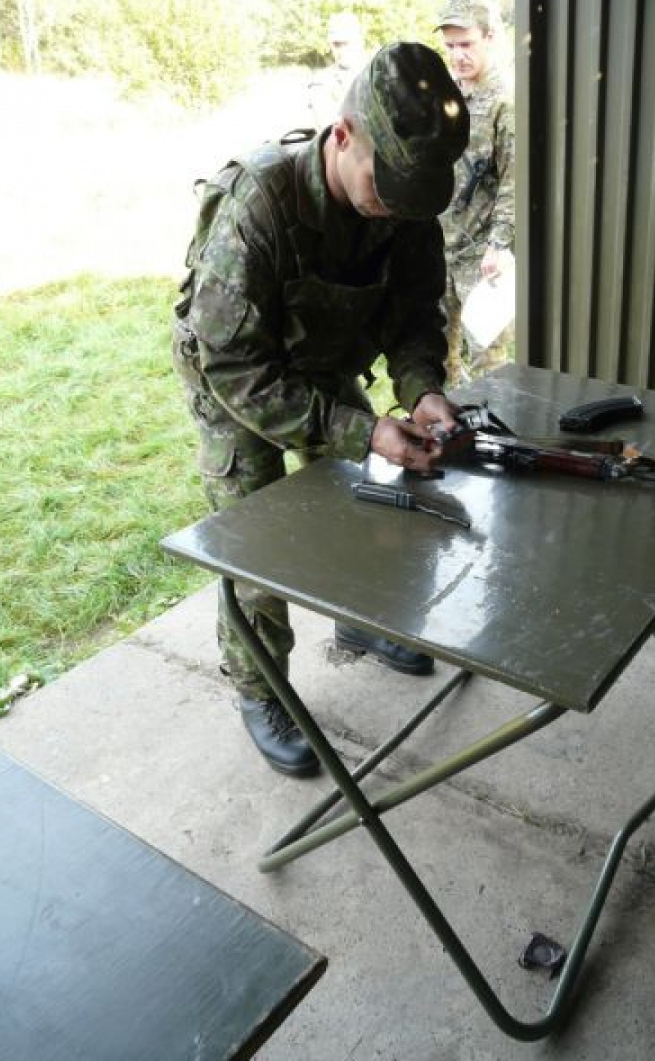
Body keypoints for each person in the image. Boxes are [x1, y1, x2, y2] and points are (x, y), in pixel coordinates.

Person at [173, 42, 468, 779]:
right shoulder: (261, 203)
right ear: (342, 136)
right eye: (382, 188)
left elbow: (413, 316)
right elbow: (235, 366)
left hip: (323, 358)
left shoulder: (406, 200)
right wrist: (361, 428)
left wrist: (423, 391)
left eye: (408, 196)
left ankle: (359, 620)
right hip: (238, 379)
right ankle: (261, 691)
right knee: (259, 543)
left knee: (368, 496)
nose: (394, 208)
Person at [435, 0, 516, 385]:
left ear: (490, 37)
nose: (457, 55)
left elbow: (514, 180)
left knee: (488, 363)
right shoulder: (446, 95)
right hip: (440, 247)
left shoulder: (506, 102)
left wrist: (500, 245)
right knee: (437, 355)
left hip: (482, 256)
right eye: (450, 46)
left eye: (466, 44)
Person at [307, 11, 368, 130]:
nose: (342, 50)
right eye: (337, 45)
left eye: (347, 43)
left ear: (360, 42)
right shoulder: (321, 82)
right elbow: (329, 129)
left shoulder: (377, 73)